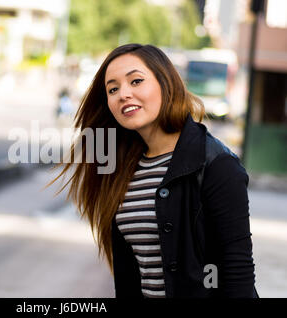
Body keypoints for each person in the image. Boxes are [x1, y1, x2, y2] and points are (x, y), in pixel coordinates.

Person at [48, 43, 258, 298]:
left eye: (136, 81)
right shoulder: (122, 171)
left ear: (165, 82)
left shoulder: (216, 163)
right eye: (113, 89)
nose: (123, 94)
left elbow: (238, 271)